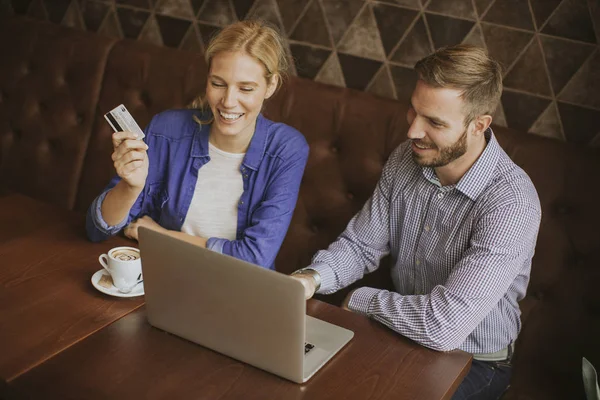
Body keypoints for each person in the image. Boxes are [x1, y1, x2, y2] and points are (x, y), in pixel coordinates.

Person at [291, 44, 541, 399]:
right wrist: (309, 280)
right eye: (414, 111)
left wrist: (360, 299)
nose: (412, 132)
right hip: (395, 333)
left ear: (479, 125)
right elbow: (361, 246)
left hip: (474, 361)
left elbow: (444, 326)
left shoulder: (512, 203)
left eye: (434, 122)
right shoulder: (408, 159)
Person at [86, 20, 309, 270]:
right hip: (162, 276)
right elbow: (97, 231)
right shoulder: (166, 130)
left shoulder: (286, 149)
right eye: (218, 84)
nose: (228, 102)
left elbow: (254, 258)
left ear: (271, 86)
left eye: (246, 89)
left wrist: (160, 235)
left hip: (238, 291)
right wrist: (130, 186)